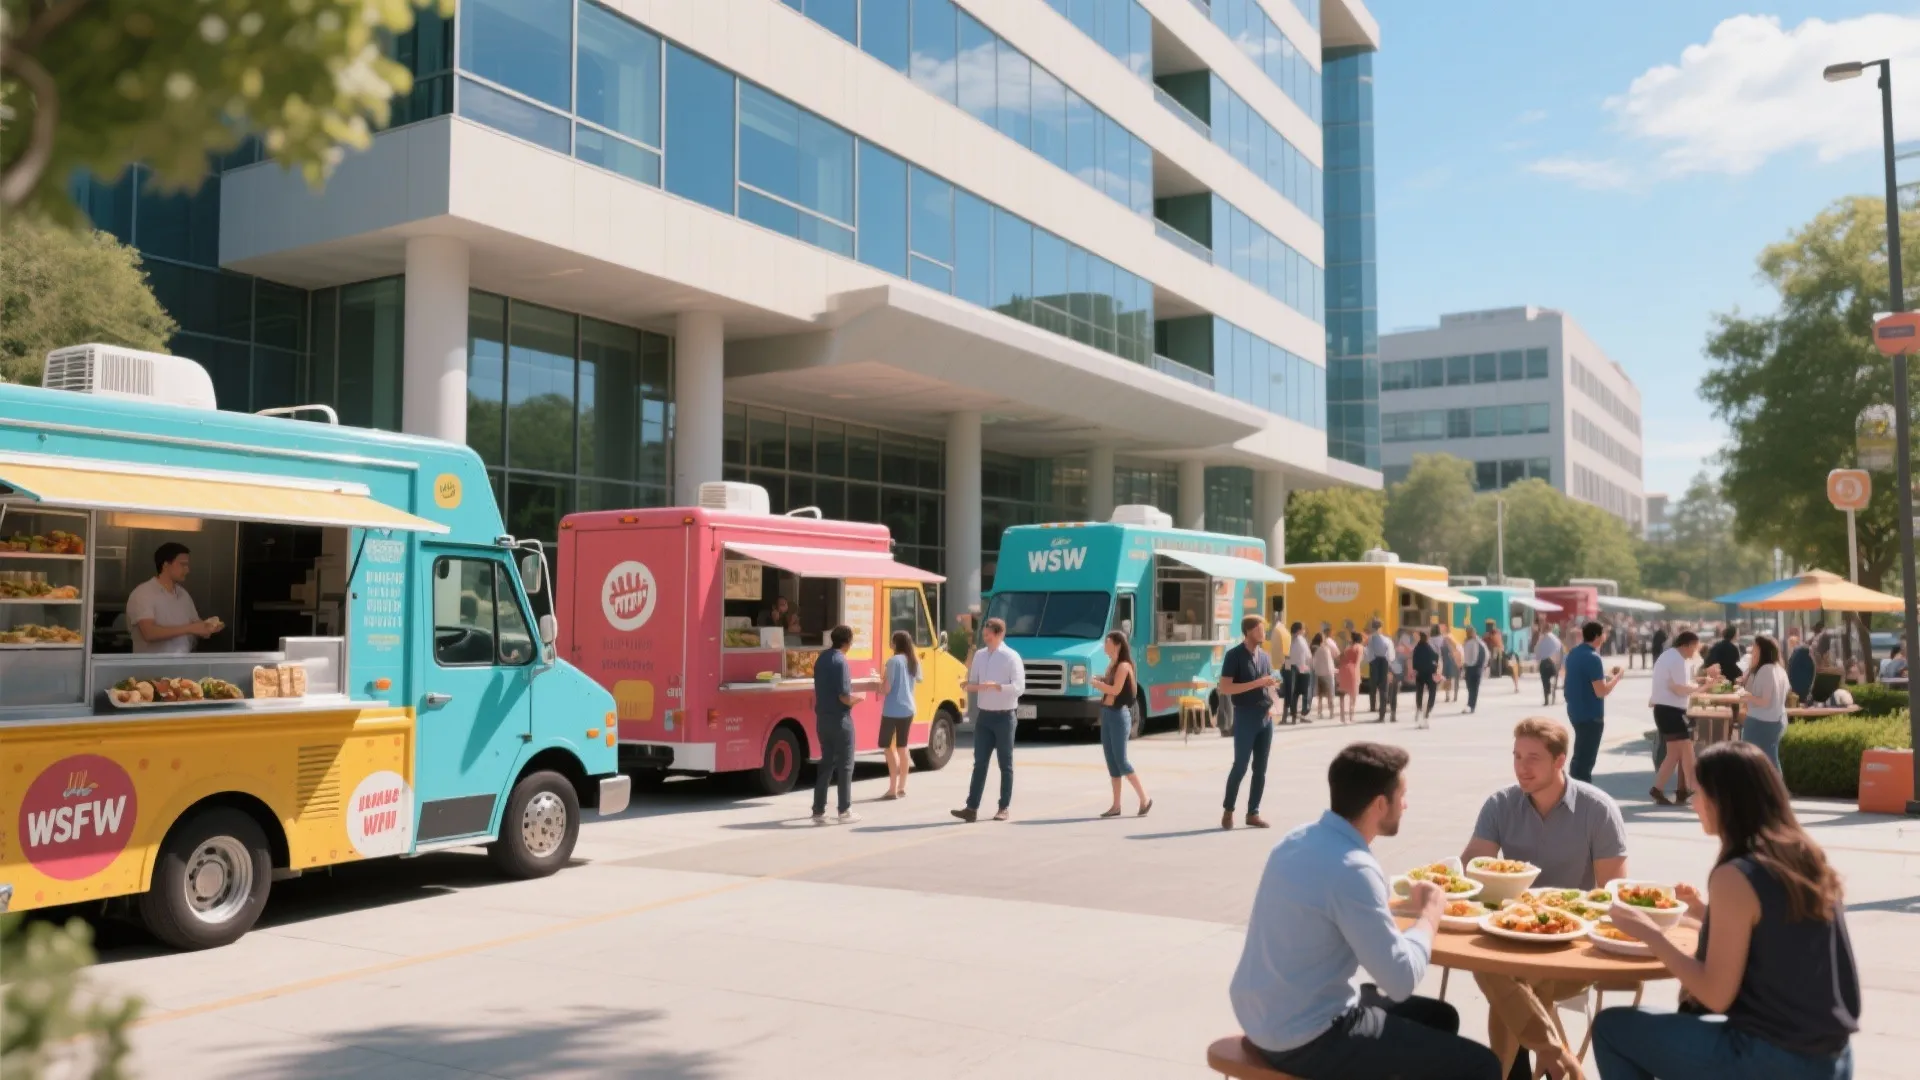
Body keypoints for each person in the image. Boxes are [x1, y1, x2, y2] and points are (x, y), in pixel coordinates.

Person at [1229, 742, 1503, 1080]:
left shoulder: (1296, 839)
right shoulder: (1354, 868)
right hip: (1306, 1036)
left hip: (1262, 1015)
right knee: (1483, 1065)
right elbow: (1399, 979)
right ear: (1379, 804)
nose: (1405, 804)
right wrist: (1430, 914)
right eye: (1402, 795)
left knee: (1440, 1018)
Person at [1592, 741, 1860, 1080]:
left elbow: (1715, 995)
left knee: (1611, 1029)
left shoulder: (1734, 875)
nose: (1693, 804)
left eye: (1699, 793)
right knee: (1686, 1022)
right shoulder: (1801, 855)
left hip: (1774, 1058)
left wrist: (1649, 932)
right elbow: (1776, 932)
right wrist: (1704, 913)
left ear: (1726, 800)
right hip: (1832, 1059)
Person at [1463, 718, 1630, 1080]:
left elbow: (1614, 893)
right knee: (1503, 967)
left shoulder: (1597, 809)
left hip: (1571, 942)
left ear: (1560, 761)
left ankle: (1522, 1066)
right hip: (1510, 931)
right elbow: (1470, 869)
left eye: (1533, 758)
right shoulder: (1500, 804)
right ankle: (1556, 1056)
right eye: (1517, 756)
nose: (1522, 767)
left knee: (1507, 975)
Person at [953, 617, 1024, 823]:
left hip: (1005, 716)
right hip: (984, 716)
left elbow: (1019, 687)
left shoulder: (1011, 657)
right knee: (980, 763)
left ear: (999, 634)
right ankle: (971, 807)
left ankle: (1003, 807)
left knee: (1005, 764)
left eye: (988, 635)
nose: (985, 639)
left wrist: (997, 686)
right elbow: (974, 682)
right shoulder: (980, 656)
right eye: (984, 635)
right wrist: (968, 685)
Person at [1221, 616, 1280, 829]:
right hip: (1245, 716)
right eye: (1259, 629)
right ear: (1249, 631)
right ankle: (1228, 810)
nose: (1263, 633)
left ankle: (1253, 812)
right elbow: (1226, 688)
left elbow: (1269, 686)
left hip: (1265, 717)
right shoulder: (1234, 656)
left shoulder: (1264, 657)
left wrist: (1273, 706)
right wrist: (1257, 683)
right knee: (1240, 766)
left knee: (1261, 768)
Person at [1090, 630, 1151, 818]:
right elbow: (1111, 683)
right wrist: (1101, 679)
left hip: (1118, 715)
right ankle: (1116, 805)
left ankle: (1144, 798)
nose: (1104, 645)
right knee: (1112, 762)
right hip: (1107, 714)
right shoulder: (1112, 665)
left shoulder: (1124, 666)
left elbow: (1116, 689)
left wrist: (1098, 685)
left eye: (1107, 642)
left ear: (1117, 644)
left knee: (1122, 761)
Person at [1649, 630, 1712, 805]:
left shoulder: (1670, 656)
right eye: (1695, 647)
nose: (1696, 651)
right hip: (1671, 711)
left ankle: (1677, 789)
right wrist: (1702, 686)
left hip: (1667, 710)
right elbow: (1679, 688)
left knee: (1680, 752)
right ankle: (1684, 789)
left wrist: (1699, 685)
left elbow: (1679, 685)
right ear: (1688, 645)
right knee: (1681, 752)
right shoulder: (1677, 659)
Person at [810, 625, 863, 825]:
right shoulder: (841, 661)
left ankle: (818, 809)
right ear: (848, 641)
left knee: (826, 764)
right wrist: (859, 699)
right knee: (846, 765)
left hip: (822, 718)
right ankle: (844, 810)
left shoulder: (822, 658)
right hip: (841, 719)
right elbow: (844, 696)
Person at [1563, 621, 1626, 783]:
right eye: (1603, 634)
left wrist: (1606, 677)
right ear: (1598, 636)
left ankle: (1574, 787)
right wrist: (1617, 678)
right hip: (1590, 714)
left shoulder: (1574, 653)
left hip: (1575, 710)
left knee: (1579, 754)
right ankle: (1580, 792)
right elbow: (1601, 691)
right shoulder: (1593, 658)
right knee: (1586, 759)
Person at [128, 543, 217, 655]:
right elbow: (149, 633)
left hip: (182, 667)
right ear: (166, 565)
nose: (187, 570)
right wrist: (190, 628)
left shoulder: (183, 594)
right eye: (182, 565)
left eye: (187, 565)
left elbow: (196, 624)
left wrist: (208, 628)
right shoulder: (143, 593)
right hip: (152, 669)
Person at [878, 630, 919, 801]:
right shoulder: (913, 661)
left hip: (892, 709)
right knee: (903, 746)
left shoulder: (893, 661)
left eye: (892, 641)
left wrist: (879, 683)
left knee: (888, 747)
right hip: (909, 708)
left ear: (896, 643)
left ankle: (892, 789)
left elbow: (886, 689)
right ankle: (902, 787)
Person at [1739, 635, 1790, 772]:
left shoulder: (1766, 670)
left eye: (1755, 647)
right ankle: (1776, 790)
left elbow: (1764, 700)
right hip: (1776, 720)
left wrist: (1747, 697)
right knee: (1770, 759)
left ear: (1761, 649)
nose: (1752, 650)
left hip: (1760, 721)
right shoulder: (1779, 669)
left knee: (1750, 760)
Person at [1365, 620, 1394, 722]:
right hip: (1385, 662)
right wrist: (1390, 667)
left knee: (1373, 686)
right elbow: (1391, 655)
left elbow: (1368, 653)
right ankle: (1382, 714)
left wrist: (1371, 662)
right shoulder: (1387, 640)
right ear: (1381, 627)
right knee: (1383, 689)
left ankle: (1373, 706)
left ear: (1372, 627)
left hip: (1375, 662)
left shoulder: (1370, 639)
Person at [1286, 621, 1314, 724]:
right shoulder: (1301, 640)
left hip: (1292, 667)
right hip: (1302, 668)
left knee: (1295, 693)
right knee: (1306, 692)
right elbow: (1308, 656)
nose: (1304, 631)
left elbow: (1287, 655)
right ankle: (1303, 714)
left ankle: (1294, 715)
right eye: (1303, 629)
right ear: (1299, 630)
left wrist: (1288, 668)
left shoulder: (1290, 639)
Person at [1411, 631, 1439, 726]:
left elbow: (1414, 661)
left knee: (1419, 691)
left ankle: (1419, 707)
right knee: (1432, 690)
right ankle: (1429, 707)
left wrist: (1415, 669)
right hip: (1430, 673)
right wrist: (1435, 668)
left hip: (1420, 673)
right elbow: (1436, 657)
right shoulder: (1429, 647)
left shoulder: (1417, 648)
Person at [1336, 630, 1363, 724]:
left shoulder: (1347, 648)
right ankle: (1351, 716)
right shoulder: (1359, 647)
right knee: (1353, 695)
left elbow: (1339, 658)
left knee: (1342, 695)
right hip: (1353, 670)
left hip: (1343, 670)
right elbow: (1358, 662)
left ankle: (1342, 717)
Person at [1534, 624, 1564, 706]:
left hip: (1544, 664)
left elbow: (1537, 651)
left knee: (1545, 680)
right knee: (1555, 678)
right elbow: (1560, 651)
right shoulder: (1556, 639)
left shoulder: (1541, 639)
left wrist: (1537, 661)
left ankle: (1546, 697)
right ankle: (1553, 693)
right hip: (1553, 664)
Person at [1460, 626, 1487, 714]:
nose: (1468, 633)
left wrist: (1483, 665)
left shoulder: (1478, 642)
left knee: (1474, 688)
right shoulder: (1466, 642)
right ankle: (1470, 705)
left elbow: (1483, 654)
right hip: (1469, 668)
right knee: (1470, 687)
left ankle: (1471, 706)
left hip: (1475, 668)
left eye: (1469, 632)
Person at [1313, 632, 1338, 721]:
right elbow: (1329, 662)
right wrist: (1333, 670)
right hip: (1328, 675)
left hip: (1319, 674)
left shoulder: (1316, 650)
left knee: (1320, 696)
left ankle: (1320, 712)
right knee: (1330, 695)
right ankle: (1331, 713)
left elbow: (1314, 663)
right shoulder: (1326, 649)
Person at [1786, 630, 1815, 705]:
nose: (1789, 646)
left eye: (1790, 643)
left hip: (1800, 687)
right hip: (1802, 687)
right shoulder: (1797, 654)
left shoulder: (1799, 653)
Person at [1439, 625, 1461, 704]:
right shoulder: (1446, 640)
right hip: (1449, 663)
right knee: (1450, 680)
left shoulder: (1448, 639)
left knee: (1450, 680)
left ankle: (1451, 696)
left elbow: (1456, 652)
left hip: (1451, 663)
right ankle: (1450, 696)